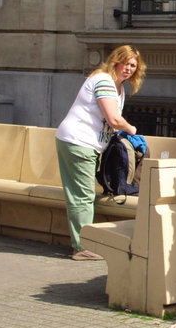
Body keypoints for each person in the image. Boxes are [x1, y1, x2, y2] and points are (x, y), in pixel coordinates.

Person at [55, 45, 146, 260]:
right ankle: (81, 247)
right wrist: (132, 129)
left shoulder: (118, 87)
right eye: (126, 63)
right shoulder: (104, 80)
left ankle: (82, 243)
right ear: (116, 61)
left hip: (85, 144)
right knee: (82, 196)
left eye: (134, 65)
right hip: (78, 142)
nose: (129, 69)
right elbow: (114, 119)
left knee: (82, 195)